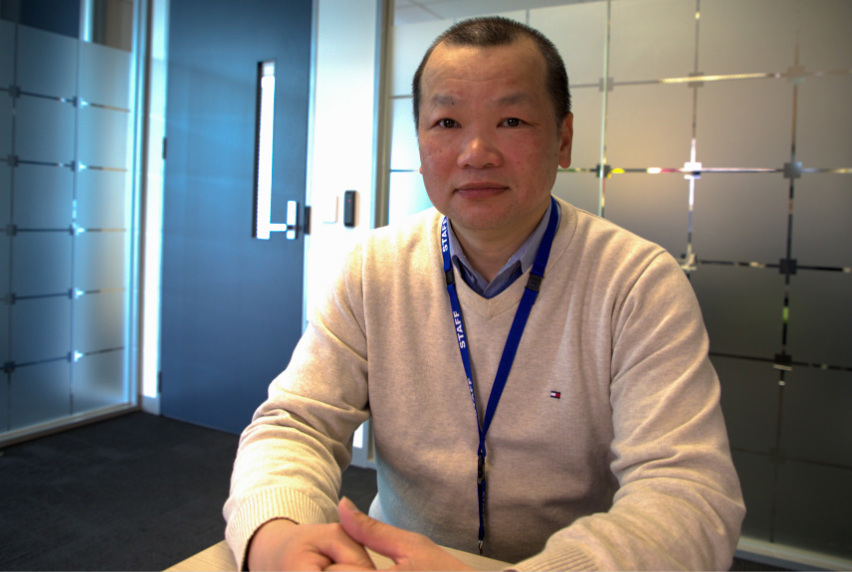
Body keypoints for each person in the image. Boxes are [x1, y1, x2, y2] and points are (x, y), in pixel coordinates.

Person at [224, 16, 745, 571]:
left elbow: (687, 491)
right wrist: (277, 536)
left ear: (563, 139)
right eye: (447, 122)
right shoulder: (372, 269)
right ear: (420, 142)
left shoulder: (636, 283)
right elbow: (297, 424)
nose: (476, 153)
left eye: (512, 120)